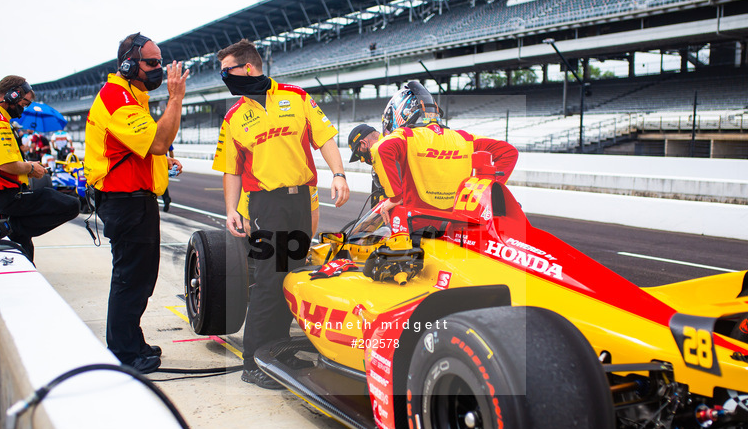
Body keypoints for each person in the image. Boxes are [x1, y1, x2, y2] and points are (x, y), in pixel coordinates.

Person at [214, 38, 349, 389]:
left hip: (301, 200)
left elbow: (326, 139)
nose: (224, 77)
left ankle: (277, 351)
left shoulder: (297, 97)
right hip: (265, 204)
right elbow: (231, 170)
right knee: (270, 279)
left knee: (292, 274)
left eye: (227, 70)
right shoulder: (233, 117)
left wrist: (338, 174)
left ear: (247, 67)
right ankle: (252, 361)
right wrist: (231, 209)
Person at [84, 32, 188, 374]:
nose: (159, 69)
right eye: (152, 63)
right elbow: (157, 141)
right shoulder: (118, 98)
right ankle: (124, 352)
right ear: (129, 64)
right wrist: (175, 98)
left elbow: (139, 150)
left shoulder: (132, 96)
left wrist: (164, 163)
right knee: (131, 278)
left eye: (160, 62)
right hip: (125, 202)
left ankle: (131, 340)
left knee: (140, 277)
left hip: (134, 201)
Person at [0, 75, 79, 261]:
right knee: (71, 205)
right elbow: (6, 164)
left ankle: (9, 226)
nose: (24, 109)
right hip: (6, 196)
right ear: (12, 95)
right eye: (24, 104)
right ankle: (9, 226)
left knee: (21, 252)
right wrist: (32, 168)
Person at [371, 81, 519, 224]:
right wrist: (484, 194)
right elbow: (509, 152)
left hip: (415, 227)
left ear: (402, 111)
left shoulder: (407, 136)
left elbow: (380, 149)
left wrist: (395, 197)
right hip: (457, 229)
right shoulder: (464, 138)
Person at [347, 123, 384, 207]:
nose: (362, 160)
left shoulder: (384, 154)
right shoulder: (394, 143)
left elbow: (394, 198)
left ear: (363, 143)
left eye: (358, 154)